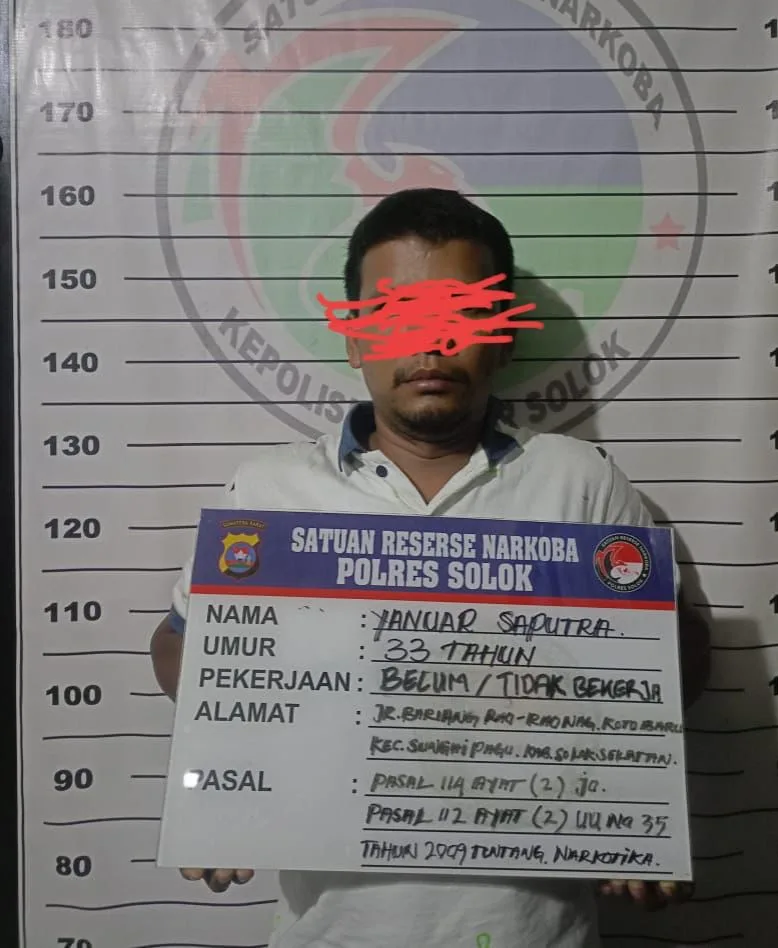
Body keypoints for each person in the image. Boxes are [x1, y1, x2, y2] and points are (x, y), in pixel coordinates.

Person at [150, 186, 710, 948]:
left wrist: (636, 794)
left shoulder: (582, 483)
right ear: (355, 339)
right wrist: (229, 762)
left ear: (504, 337)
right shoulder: (267, 492)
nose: (431, 343)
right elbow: (178, 642)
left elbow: (679, 654)